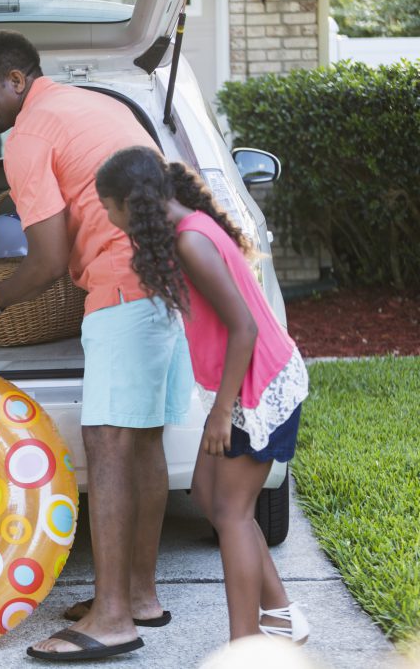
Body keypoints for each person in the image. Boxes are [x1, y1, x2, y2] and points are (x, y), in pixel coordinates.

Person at [0, 30, 193, 661]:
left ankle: (113, 619)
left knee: (110, 445)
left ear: (17, 80)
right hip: (166, 283)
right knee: (141, 438)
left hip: (120, 288)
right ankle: (140, 596)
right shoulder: (100, 102)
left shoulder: (30, 134)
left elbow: (48, 260)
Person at [95, 145, 310, 644]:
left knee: (232, 512)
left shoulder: (191, 240)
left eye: (108, 205)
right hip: (244, 387)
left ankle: (244, 645)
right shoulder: (185, 230)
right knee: (211, 497)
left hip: (260, 389)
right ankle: (281, 614)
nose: (107, 216)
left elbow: (245, 328)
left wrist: (218, 413)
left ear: (133, 201)